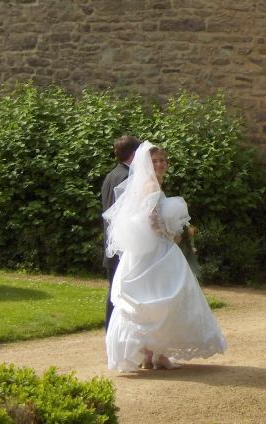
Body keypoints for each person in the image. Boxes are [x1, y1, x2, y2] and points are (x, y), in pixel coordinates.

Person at [104, 142, 228, 371]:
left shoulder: (150, 183)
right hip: (156, 249)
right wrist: (171, 236)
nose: (160, 164)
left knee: (155, 298)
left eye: (162, 160)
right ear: (146, 164)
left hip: (152, 250)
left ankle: (151, 354)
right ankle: (154, 353)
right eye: (155, 161)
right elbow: (151, 219)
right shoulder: (150, 184)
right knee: (161, 298)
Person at [100, 135, 141, 332]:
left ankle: (112, 335)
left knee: (114, 292)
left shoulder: (111, 175)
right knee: (122, 293)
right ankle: (118, 337)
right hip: (123, 245)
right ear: (134, 154)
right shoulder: (127, 177)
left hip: (112, 242)